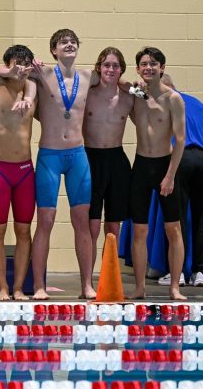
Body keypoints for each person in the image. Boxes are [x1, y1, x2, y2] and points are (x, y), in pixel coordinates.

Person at [27, 29, 102, 300]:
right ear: (53, 51)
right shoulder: (42, 73)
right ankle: (38, 286)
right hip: (50, 155)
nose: (69, 45)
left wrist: (143, 90)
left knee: (81, 221)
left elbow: (118, 78)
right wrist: (28, 66)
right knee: (45, 220)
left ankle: (86, 285)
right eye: (62, 42)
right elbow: (8, 69)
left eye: (73, 42)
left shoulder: (88, 76)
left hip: (77, 156)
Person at [127, 46, 187, 300]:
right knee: (139, 231)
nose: (149, 67)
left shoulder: (173, 99)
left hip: (165, 166)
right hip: (141, 166)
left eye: (153, 63)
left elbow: (181, 140)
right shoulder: (135, 96)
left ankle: (174, 286)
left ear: (162, 67)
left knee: (173, 229)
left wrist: (170, 176)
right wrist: (132, 84)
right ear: (138, 69)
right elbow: (115, 80)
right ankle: (140, 287)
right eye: (143, 64)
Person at [0, 46, 37, 300]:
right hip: (0, 170)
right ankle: (3, 287)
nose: (22, 68)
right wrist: (4, 69)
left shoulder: (32, 86)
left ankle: (18, 288)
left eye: (27, 64)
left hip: (25, 170)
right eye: (17, 63)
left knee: (24, 231)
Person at [83, 47, 134, 280]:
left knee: (113, 228)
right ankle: (89, 280)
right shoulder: (88, 93)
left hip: (117, 161)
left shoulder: (130, 96)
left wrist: (133, 86)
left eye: (115, 66)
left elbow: (156, 95)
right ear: (99, 68)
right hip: (91, 159)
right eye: (106, 65)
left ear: (121, 69)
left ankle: (108, 278)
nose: (111, 69)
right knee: (92, 226)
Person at [160, 75, 203, 287]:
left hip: (180, 158)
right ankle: (199, 272)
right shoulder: (197, 103)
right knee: (201, 217)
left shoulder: (165, 100)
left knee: (176, 216)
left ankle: (178, 272)